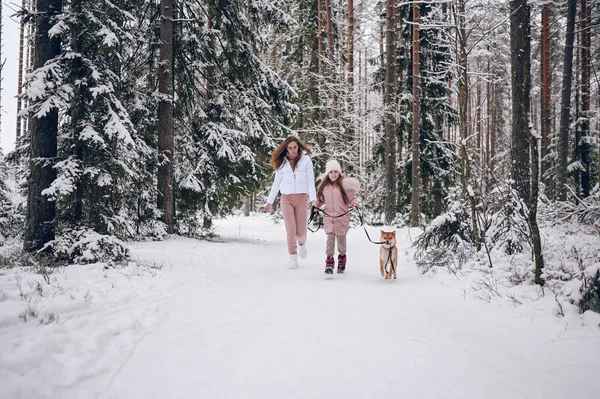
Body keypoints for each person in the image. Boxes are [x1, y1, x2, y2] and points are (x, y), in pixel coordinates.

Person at [265, 136, 317, 269]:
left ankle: (302, 243)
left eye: (295, 147)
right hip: (286, 198)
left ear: (298, 147)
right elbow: (276, 184)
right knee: (291, 230)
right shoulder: (282, 163)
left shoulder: (306, 161)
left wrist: (313, 200)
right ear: (286, 149)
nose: (293, 150)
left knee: (300, 233)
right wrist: (269, 202)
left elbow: (311, 183)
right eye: (290, 148)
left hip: (301, 198)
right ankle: (293, 257)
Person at [313, 159, 360, 274]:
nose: (333, 174)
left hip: (342, 218)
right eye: (331, 172)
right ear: (327, 174)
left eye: (335, 171)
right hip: (329, 218)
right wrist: (316, 206)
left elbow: (352, 197)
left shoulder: (345, 186)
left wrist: (354, 204)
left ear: (339, 173)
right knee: (330, 241)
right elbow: (320, 200)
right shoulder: (325, 187)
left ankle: (342, 259)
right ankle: (329, 262)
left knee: (341, 243)